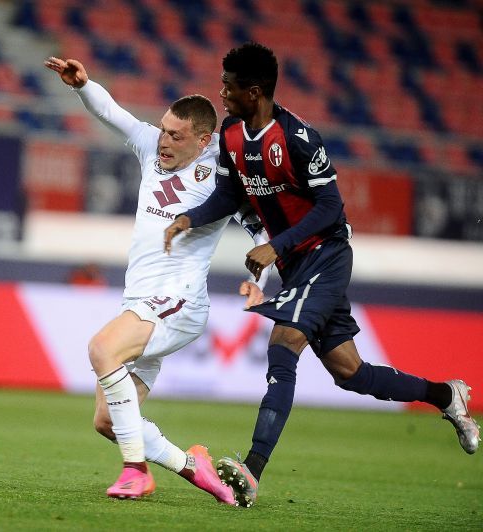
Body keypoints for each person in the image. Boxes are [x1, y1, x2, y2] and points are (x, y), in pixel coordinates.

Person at [163, 42, 480, 508]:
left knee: (283, 343)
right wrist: (190, 217)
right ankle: (445, 395)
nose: (221, 92)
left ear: (254, 91)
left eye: (228, 86)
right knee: (350, 372)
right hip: (296, 264)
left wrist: (277, 244)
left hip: (327, 254)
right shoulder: (231, 133)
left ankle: (251, 470)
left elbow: (331, 206)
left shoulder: (297, 138)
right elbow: (229, 197)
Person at [45, 56, 271, 502]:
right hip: (142, 303)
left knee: (100, 348)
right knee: (108, 420)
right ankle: (192, 466)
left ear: (203, 140)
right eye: (163, 129)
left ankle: (136, 471)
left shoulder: (220, 178)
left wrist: (264, 277)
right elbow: (114, 115)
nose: (163, 140)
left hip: (178, 301)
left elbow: (264, 229)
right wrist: (83, 86)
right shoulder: (150, 147)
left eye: (175, 135)